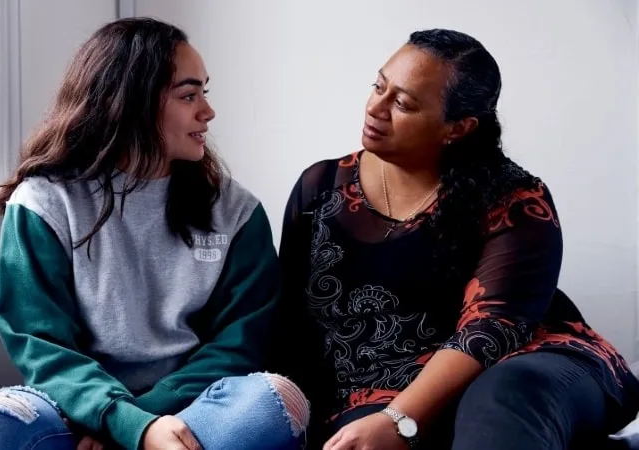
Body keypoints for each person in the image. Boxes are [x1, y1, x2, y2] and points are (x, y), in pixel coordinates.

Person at [0, 18, 309, 450]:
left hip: (190, 411)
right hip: (70, 407)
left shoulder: (236, 211)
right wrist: (119, 419)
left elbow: (239, 345)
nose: (207, 112)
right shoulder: (43, 203)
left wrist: (141, 423)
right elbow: (40, 345)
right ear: (131, 104)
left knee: (273, 401)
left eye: (203, 94)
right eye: (189, 95)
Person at [272, 28, 639, 450]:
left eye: (404, 103)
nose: (377, 107)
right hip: (372, 392)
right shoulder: (319, 187)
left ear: (458, 127)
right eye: (378, 86)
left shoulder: (516, 200)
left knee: (503, 397)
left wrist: (398, 419)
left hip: (521, 369)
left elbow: (491, 329)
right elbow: (291, 323)